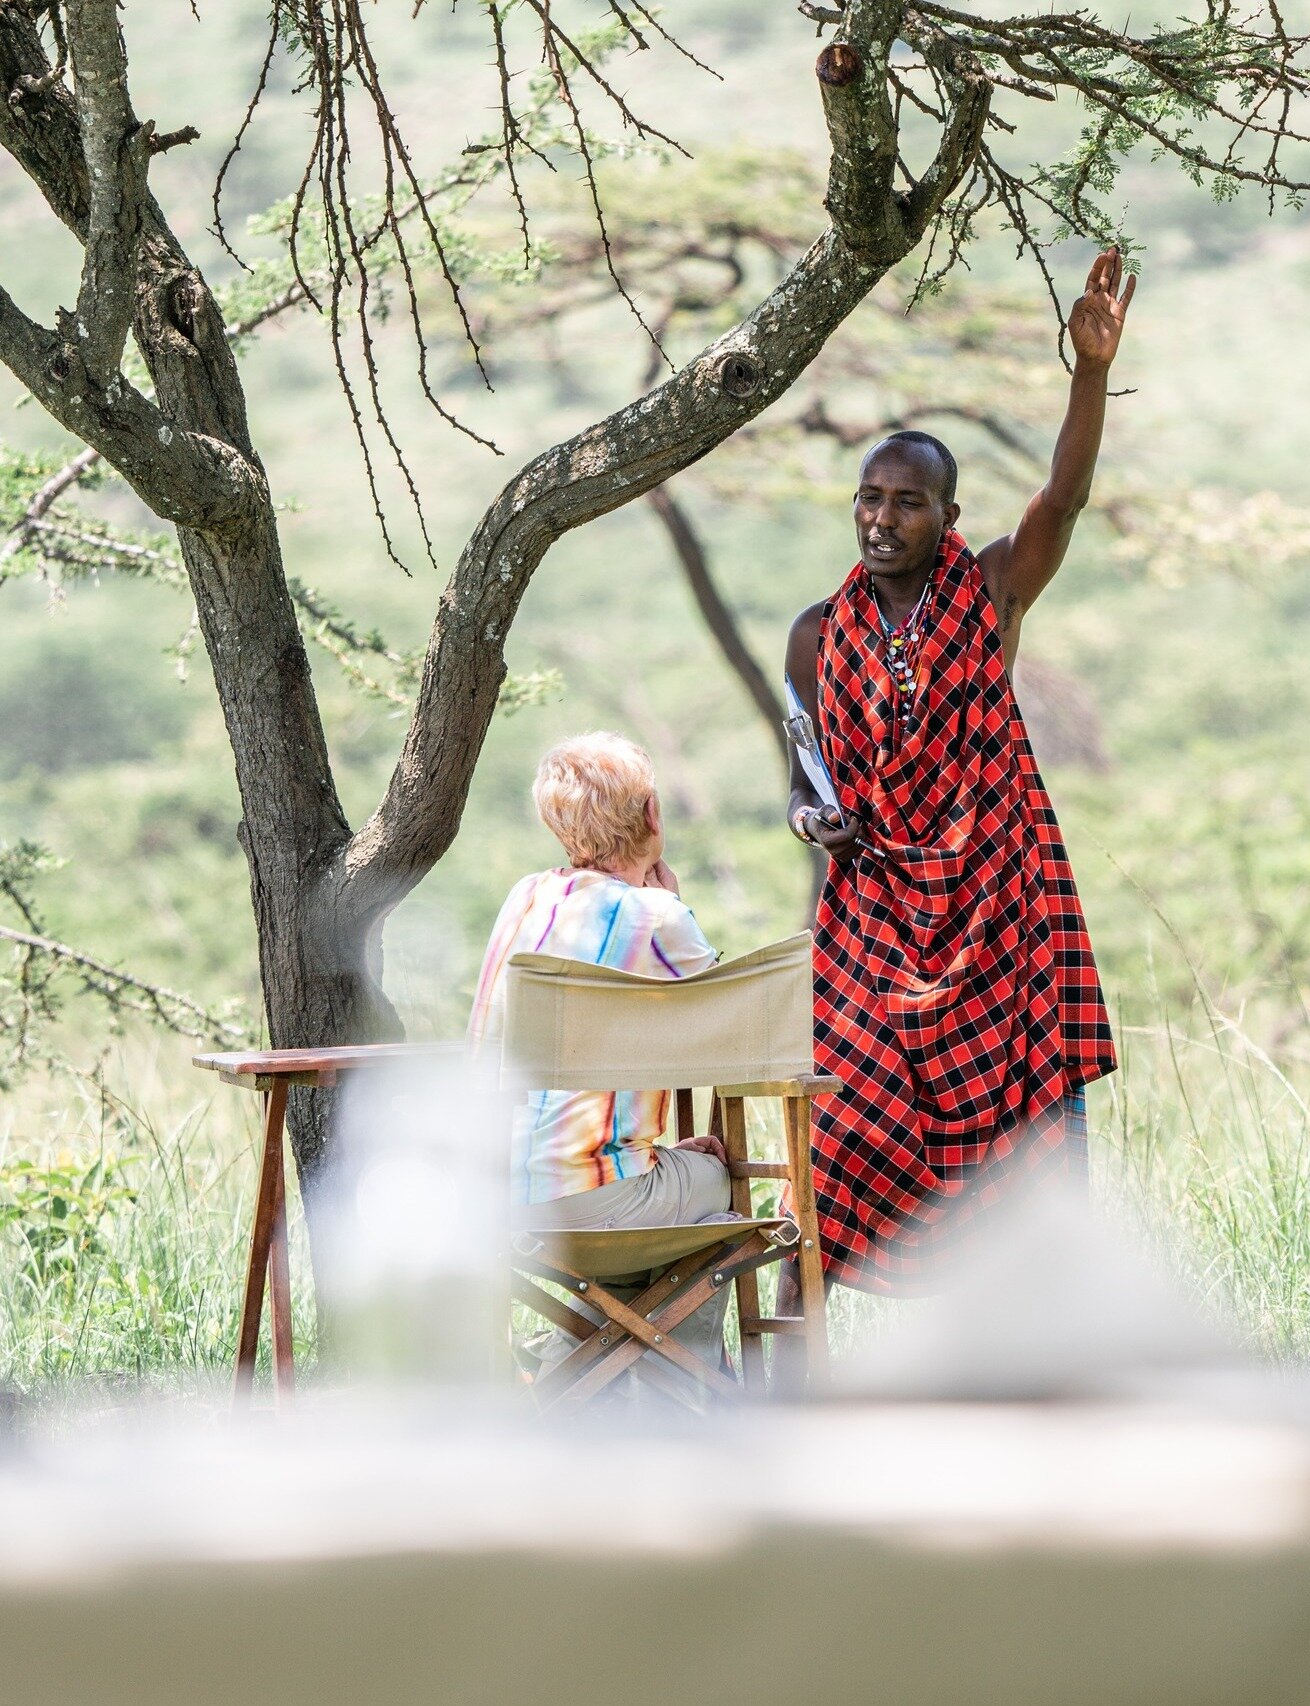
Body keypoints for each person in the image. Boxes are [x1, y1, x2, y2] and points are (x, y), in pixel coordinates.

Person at [782, 247, 1134, 1301]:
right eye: (869, 497)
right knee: (840, 1132)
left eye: (908, 502)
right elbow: (803, 783)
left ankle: (1043, 1347)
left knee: (1026, 1148)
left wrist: (1088, 373)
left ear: (948, 518)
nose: (882, 517)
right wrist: (818, 825)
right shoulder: (815, 634)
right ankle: (789, 1380)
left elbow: (1063, 501)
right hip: (876, 917)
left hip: (994, 910)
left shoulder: (990, 595)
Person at [468, 731, 734, 1376]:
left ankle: (583, 1367)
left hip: (491, 1186)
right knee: (715, 1184)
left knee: (655, 1185)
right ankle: (684, 1382)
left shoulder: (525, 896)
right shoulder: (655, 916)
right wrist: (671, 901)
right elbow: (733, 1028)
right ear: (649, 815)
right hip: (591, 1200)